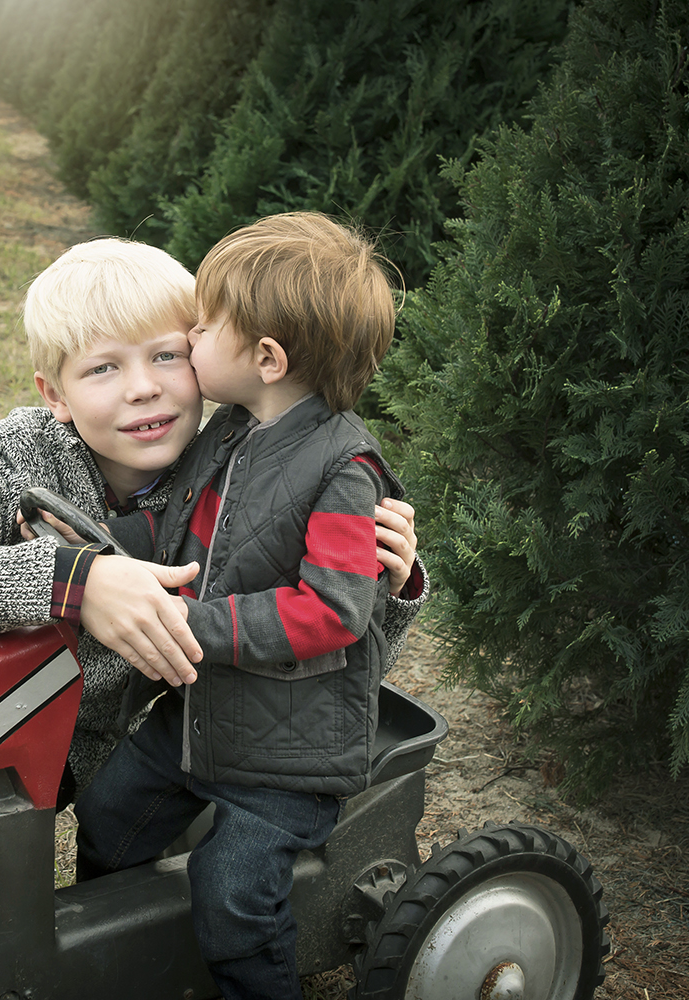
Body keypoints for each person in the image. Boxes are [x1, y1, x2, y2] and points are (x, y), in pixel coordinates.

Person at [0, 236, 423, 807]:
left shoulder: (235, 472)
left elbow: (311, 673)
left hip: (140, 758)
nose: (143, 388)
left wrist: (384, 594)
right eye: (102, 367)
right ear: (56, 394)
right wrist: (76, 583)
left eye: (167, 355)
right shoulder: (17, 456)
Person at [69, 213, 426, 1000]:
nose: (189, 336)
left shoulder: (344, 470)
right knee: (108, 812)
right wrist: (95, 545)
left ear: (266, 358)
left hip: (288, 752)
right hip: (204, 712)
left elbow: (333, 611)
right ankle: (118, 961)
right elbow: (172, 528)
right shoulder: (230, 430)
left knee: (233, 892)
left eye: (203, 326)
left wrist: (194, 623)